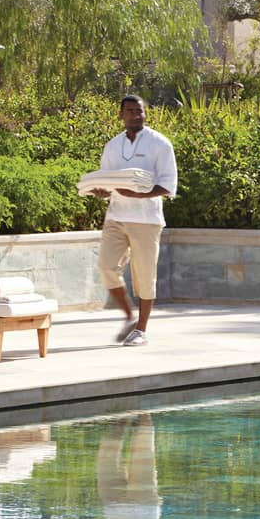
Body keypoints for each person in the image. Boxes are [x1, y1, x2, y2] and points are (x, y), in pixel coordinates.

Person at [91, 95, 177, 347]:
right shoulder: (112, 146)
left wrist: (141, 194)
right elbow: (107, 180)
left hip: (146, 220)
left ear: (145, 113)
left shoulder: (160, 144)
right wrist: (102, 191)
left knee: (144, 276)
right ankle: (129, 316)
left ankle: (141, 329)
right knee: (107, 267)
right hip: (116, 216)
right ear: (121, 115)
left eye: (139, 111)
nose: (135, 115)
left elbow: (168, 184)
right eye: (130, 111)